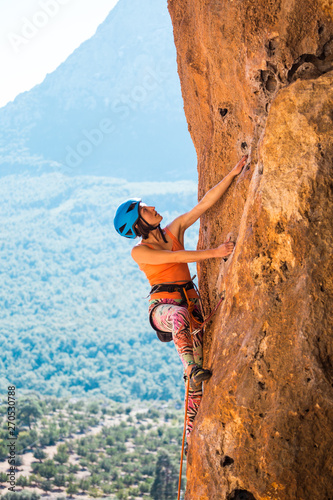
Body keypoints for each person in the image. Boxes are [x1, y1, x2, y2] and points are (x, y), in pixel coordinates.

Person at [113, 155, 248, 442]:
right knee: (180, 320)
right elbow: (176, 258)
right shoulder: (138, 251)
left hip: (190, 305)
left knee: (197, 383)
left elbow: (203, 205)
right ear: (139, 224)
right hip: (163, 310)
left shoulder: (173, 230)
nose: (151, 207)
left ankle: (191, 435)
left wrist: (233, 173)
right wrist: (215, 252)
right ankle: (191, 368)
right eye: (144, 210)